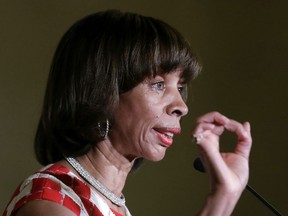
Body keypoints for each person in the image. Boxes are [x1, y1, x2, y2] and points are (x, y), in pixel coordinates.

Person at [3, 10, 252, 216]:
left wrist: (225, 193)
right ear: (101, 90)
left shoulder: (111, 204)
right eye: (158, 84)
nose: (182, 106)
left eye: (180, 86)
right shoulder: (51, 202)